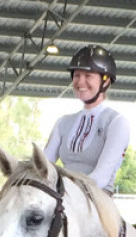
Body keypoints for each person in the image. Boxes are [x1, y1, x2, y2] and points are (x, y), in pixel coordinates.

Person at [43, 45, 130, 194]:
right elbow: (43, 167)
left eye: (88, 76)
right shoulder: (63, 122)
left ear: (106, 81)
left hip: (98, 199)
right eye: (77, 75)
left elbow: (101, 177)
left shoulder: (116, 122)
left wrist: (64, 190)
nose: (80, 82)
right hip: (65, 199)